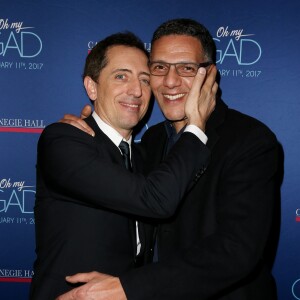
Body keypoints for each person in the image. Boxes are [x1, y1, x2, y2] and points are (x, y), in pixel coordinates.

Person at [57, 19, 279, 300]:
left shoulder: (250, 140)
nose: (170, 81)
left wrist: (128, 287)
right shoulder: (151, 141)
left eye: (186, 68)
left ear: (210, 75)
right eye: (159, 68)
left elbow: (236, 251)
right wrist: (86, 129)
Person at [30, 30, 216, 300]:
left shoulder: (146, 155)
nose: (137, 91)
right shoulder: (63, 140)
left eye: (144, 79)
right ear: (91, 87)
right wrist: (196, 125)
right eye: (121, 76)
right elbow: (156, 200)